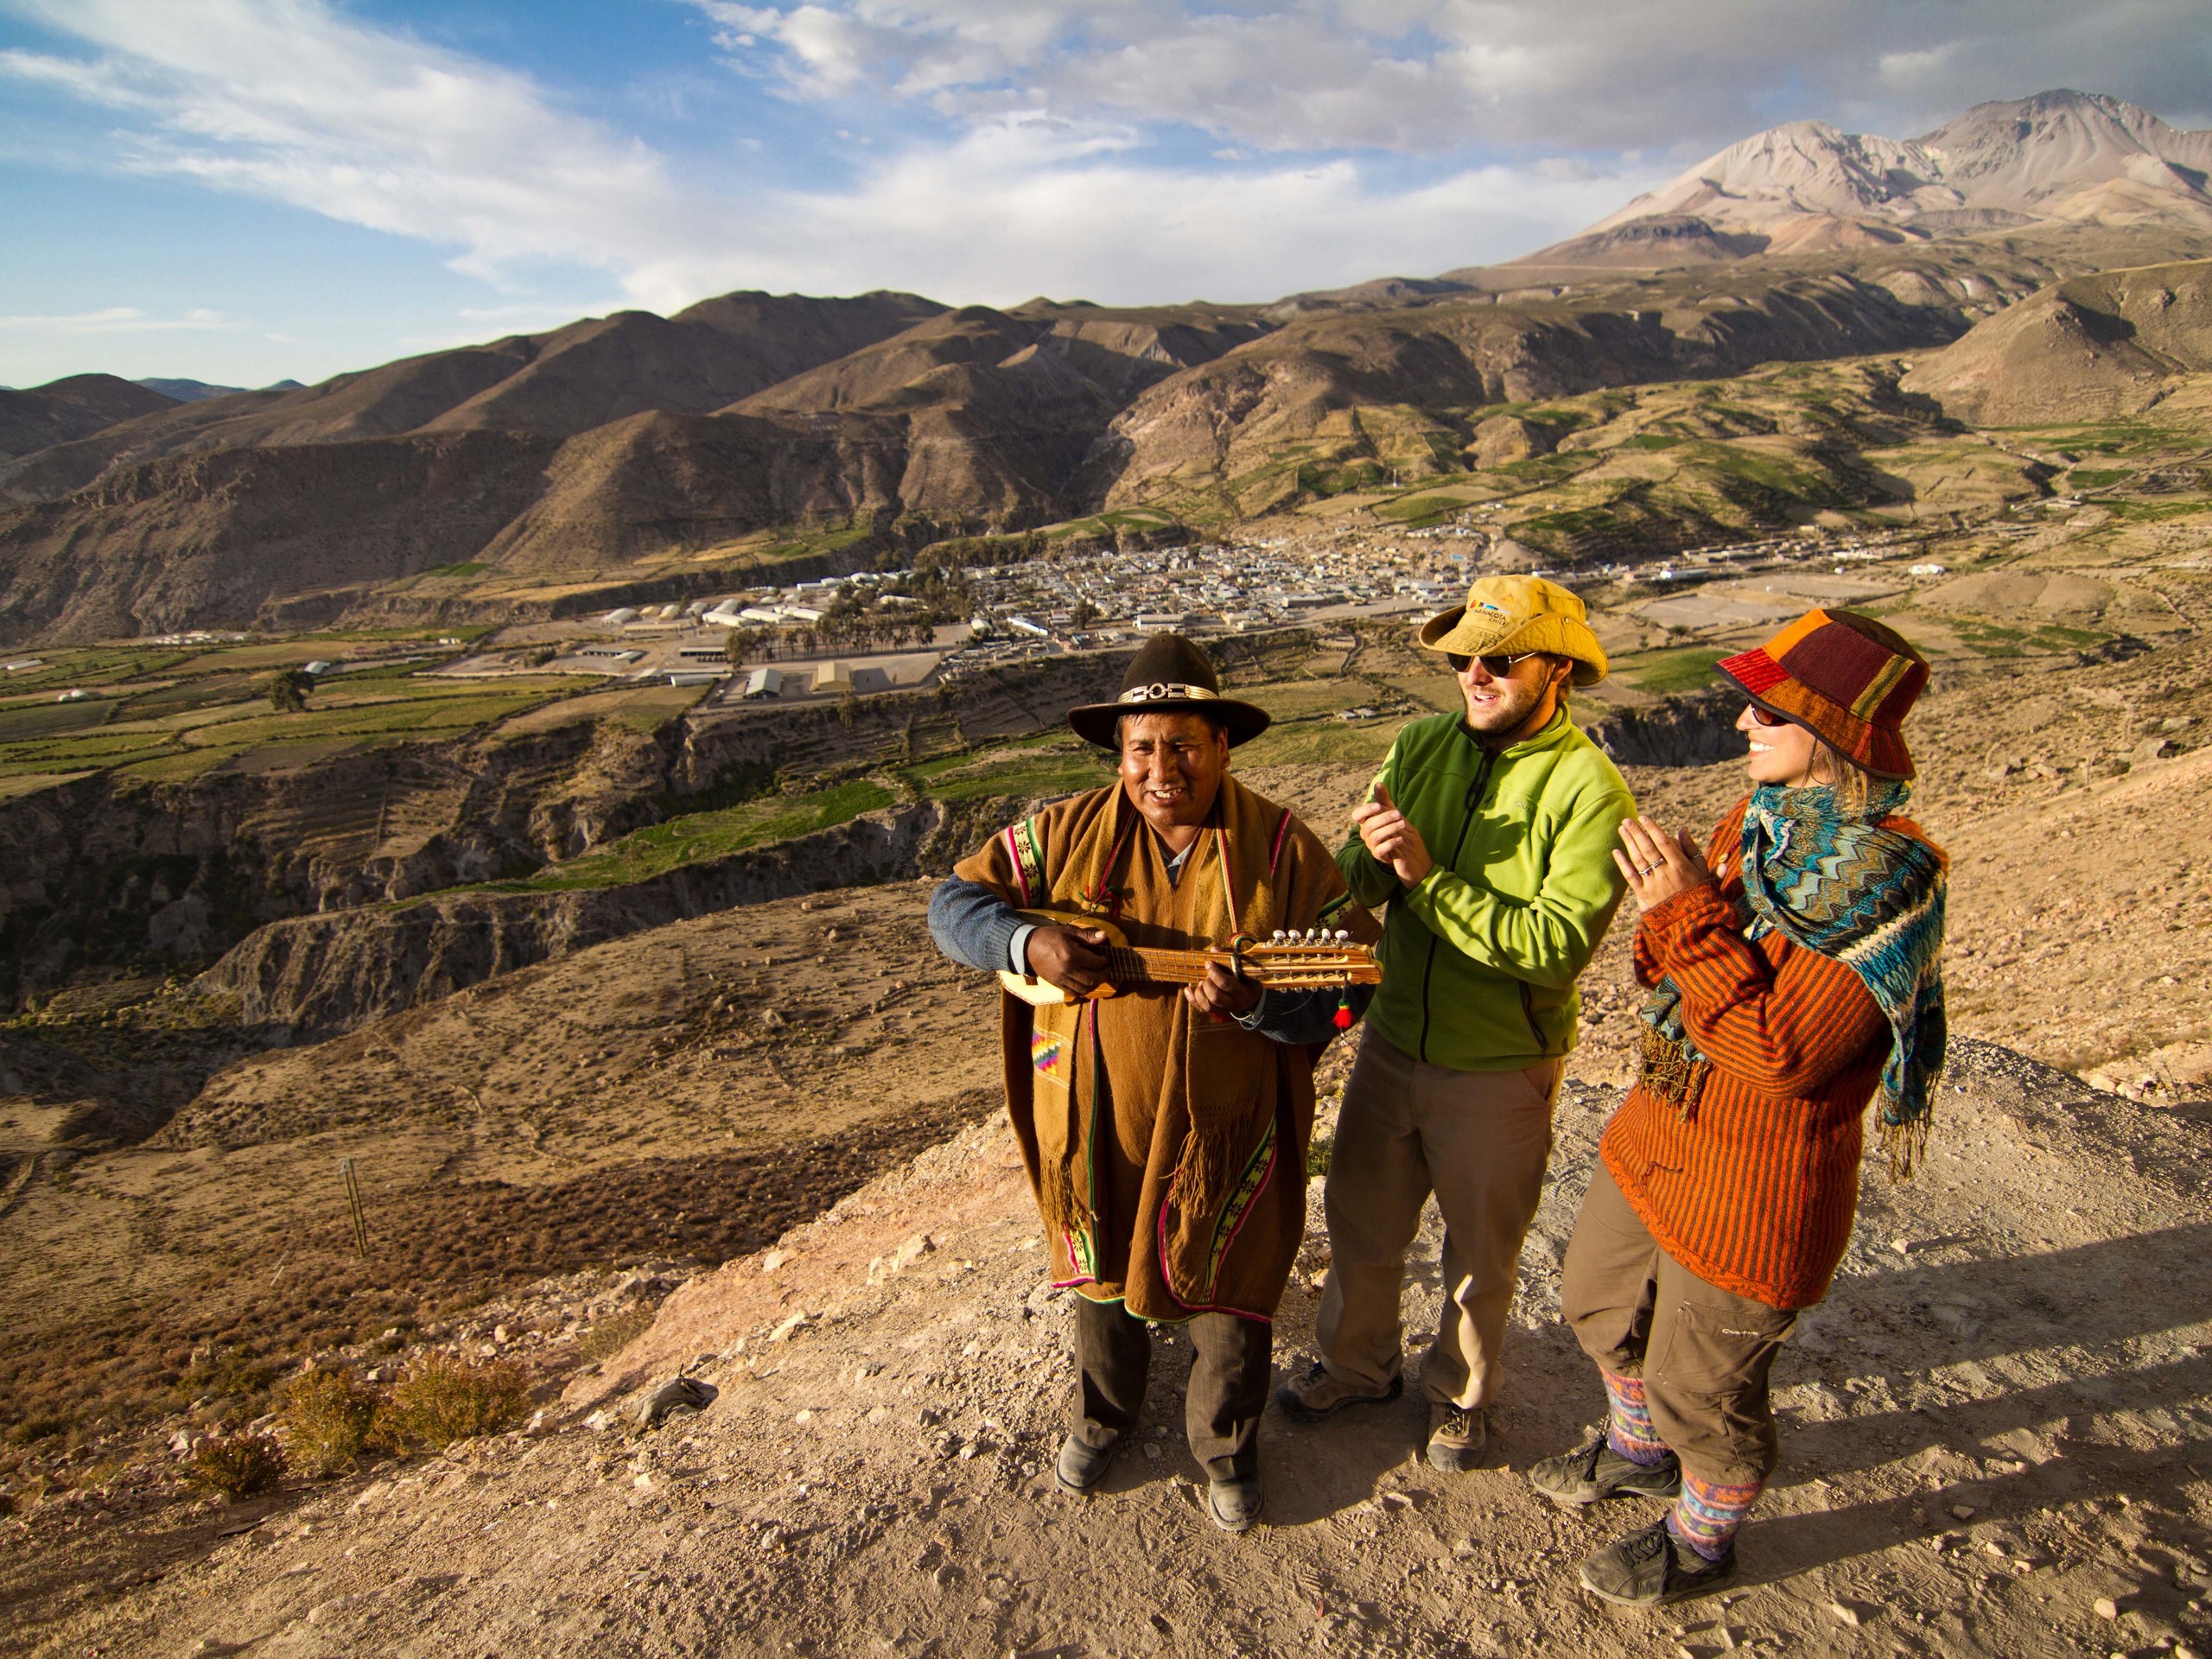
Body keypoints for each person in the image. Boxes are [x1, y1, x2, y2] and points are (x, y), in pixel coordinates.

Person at [1530, 608, 1947, 1607]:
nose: (1739, 724)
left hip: (1756, 1182)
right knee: (1594, 1298)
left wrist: (1681, 913)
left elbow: (1783, 1053)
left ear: (1835, 733)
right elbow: (1678, 974)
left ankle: (1700, 1536)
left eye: (1765, 709)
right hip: (1661, 1131)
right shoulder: (1750, 824)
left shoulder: (1888, 878)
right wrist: (1666, 912)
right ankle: (1637, 1451)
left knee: (1703, 1388)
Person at [927, 633, 1378, 1534]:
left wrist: (1259, 1006)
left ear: (1221, 746)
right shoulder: (1059, 834)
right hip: (1092, 1113)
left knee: (1228, 1281)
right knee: (1098, 1274)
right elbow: (953, 907)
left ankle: (1226, 1448)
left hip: (1229, 1123)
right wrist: (1029, 944)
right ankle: (1102, 1419)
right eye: (1142, 748)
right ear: (1118, 754)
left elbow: (1349, 986)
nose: (1161, 769)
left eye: (1183, 746)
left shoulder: (1284, 849)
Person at [1278, 575, 1637, 1471]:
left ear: (1555, 667)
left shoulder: (1590, 790)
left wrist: (1425, 881)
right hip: (1393, 1039)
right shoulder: (1419, 744)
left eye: (1499, 658)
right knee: (1360, 1222)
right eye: (1462, 658)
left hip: (1500, 1062)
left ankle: (1460, 1396)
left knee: (1480, 1254)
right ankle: (1356, 1368)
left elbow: (1552, 948)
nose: (1474, 673)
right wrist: (1349, 872)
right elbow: (1363, 875)